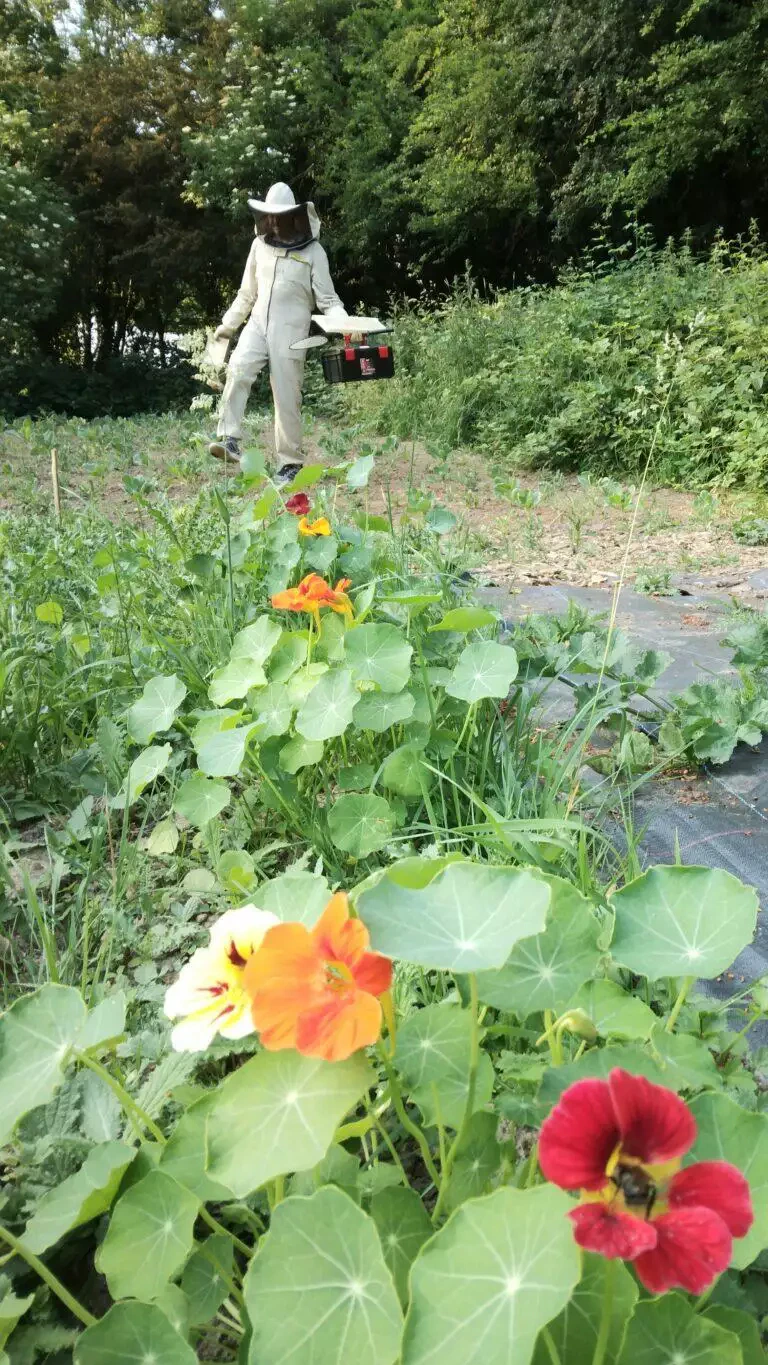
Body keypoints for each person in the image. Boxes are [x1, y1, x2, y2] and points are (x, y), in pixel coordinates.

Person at [209, 182, 347, 485]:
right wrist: (227, 325)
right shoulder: (259, 246)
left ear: (294, 216)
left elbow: (328, 300)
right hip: (257, 323)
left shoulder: (314, 252)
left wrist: (347, 326)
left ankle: (290, 464)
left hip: (291, 331)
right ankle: (229, 438)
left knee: (286, 395)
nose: (273, 221)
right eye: (269, 215)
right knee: (238, 368)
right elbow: (246, 294)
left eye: (279, 215)